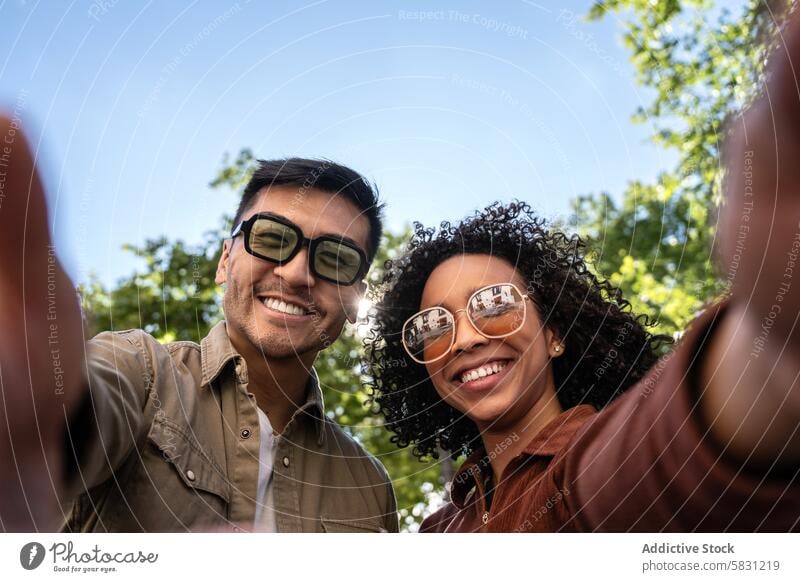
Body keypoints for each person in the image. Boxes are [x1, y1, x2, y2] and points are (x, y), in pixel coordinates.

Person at [365, 14, 800, 532]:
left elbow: (665, 456)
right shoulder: (439, 530)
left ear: (553, 334)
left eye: (495, 303)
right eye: (433, 325)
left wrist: (770, 340)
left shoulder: (585, 470)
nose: (463, 339)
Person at [0, 141, 398, 532]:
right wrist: (37, 403)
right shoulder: (141, 372)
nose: (295, 274)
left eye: (335, 259)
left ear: (354, 301)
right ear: (226, 260)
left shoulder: (370, 487)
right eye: (272, 238)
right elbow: (71, 415)